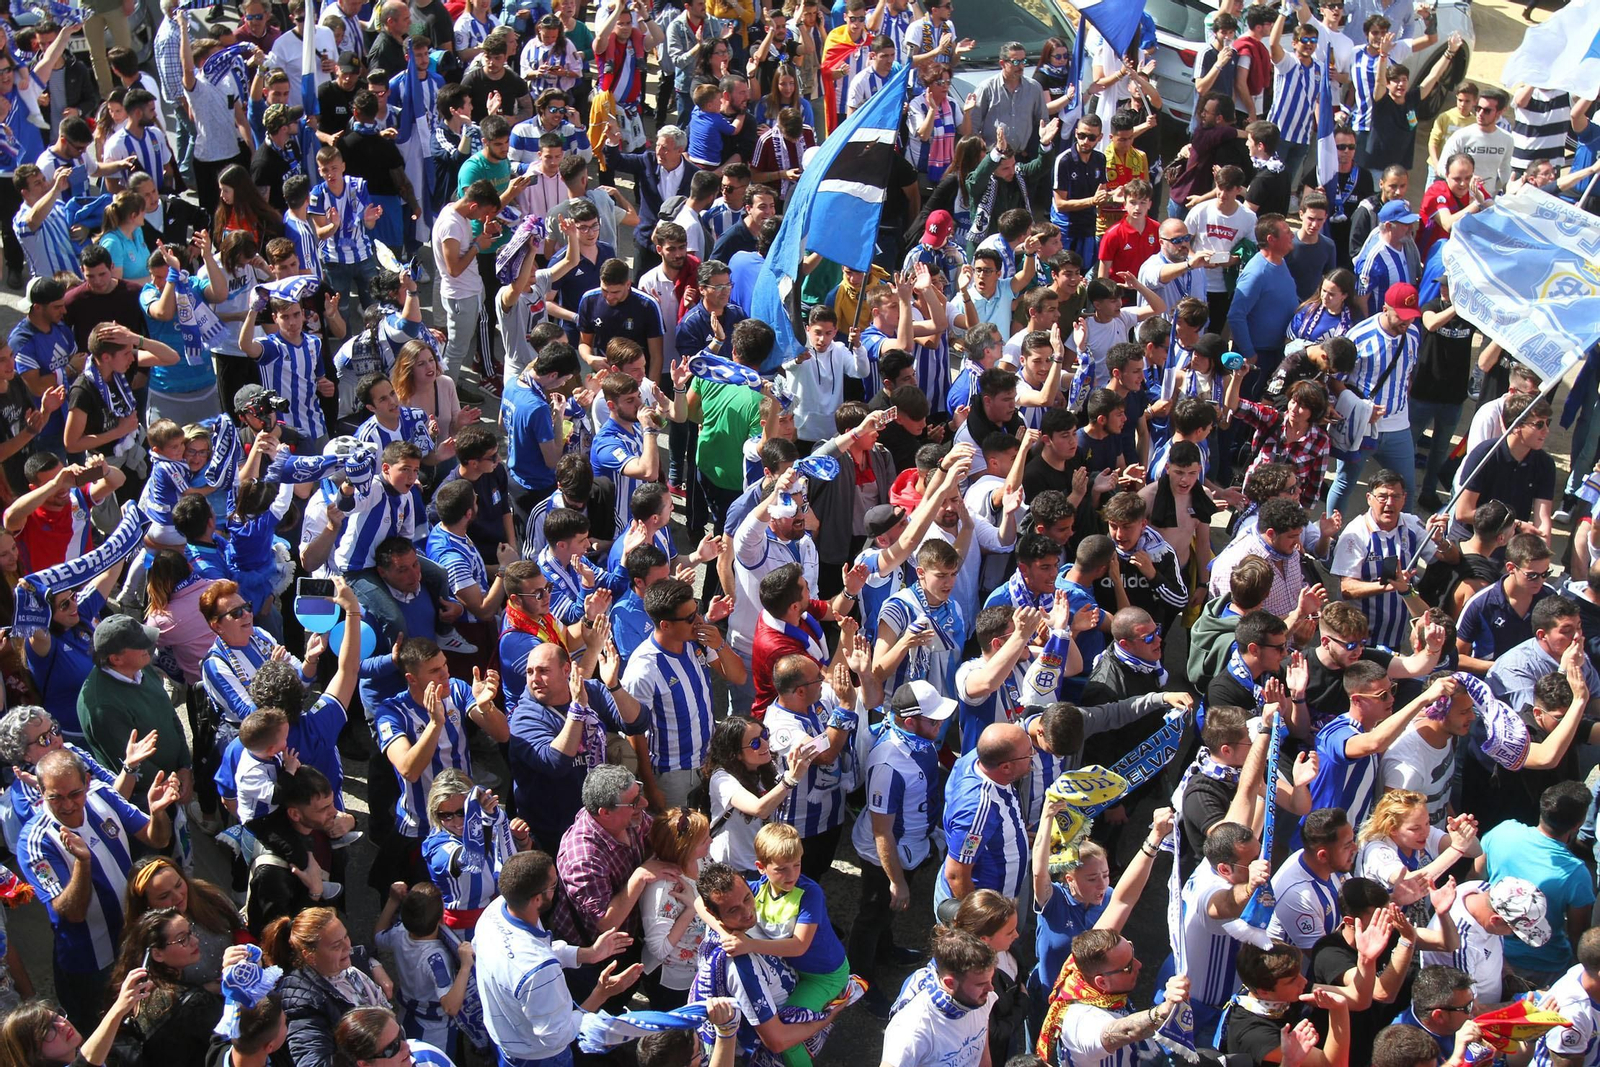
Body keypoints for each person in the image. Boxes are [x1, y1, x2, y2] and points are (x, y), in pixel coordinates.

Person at [17, 748, 178, 1029]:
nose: (67, 805)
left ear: (87, 782)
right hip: (92, 963)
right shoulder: (35, 842)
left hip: (134, 939)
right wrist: (82, 862)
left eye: (74, 794)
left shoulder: (102, 796)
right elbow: (72, 914)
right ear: (41, 792)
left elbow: (157, 839)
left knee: (151, 1021)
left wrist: (158, 813)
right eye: (55, 797)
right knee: (106, 1032)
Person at [476, 850, 644, 1065]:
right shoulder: (539, 971)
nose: (559, 889)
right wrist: (602, 994)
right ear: (537, 899)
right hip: (537, 1058)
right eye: (554, 885)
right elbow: (558, 1036)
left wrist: (589, 954)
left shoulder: (495, 912)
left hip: (505, 1039)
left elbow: (539, 947)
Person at [1479, 780, 1596, 987]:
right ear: (1578, 824)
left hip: (1490, 951)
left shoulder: (1503, 832)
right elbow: (1578, 934)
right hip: (1545, 968)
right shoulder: (1577, 873)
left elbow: (1474, 878)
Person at [263, 907, 395, 1067]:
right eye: (336, 946)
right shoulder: (302, 1004)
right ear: (309, 956)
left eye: (346, 936)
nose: (348, 947)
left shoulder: (345, 965)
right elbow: (313, 1062)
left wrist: (375, 964)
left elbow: (363, 952)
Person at [937, 722, 1030, 913]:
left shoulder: (979, 758)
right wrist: (980, 923)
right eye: (1028, 755)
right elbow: (956, 874)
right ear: (1005, 767)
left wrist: (1012, 835)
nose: (1033, 758)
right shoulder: (978, 810)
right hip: (990, 910)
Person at [880, 926, 997, 1067]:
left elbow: (982, 1049)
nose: (991, 988)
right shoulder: (912, 1029)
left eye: (990, 979)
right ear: (950, 983)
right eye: (981, 984)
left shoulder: (979, 999)